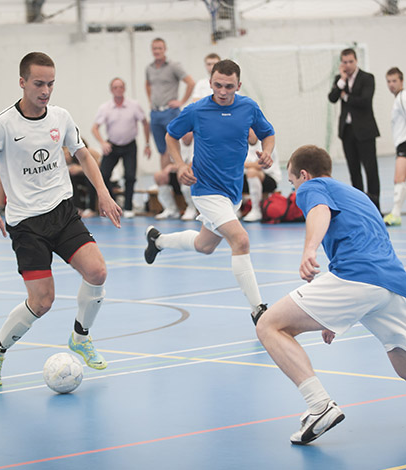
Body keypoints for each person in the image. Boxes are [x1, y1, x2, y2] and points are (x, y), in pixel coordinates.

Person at [0, 52, 123, 387]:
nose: (46, 90)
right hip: (27, 225)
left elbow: (84, 155)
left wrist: (103, 193)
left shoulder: (60, 117)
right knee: (42, 301)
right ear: (22, 82)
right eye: (38, 83)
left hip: (62, 213)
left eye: (50, 83)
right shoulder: (3, 124)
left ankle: (80, 336)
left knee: (97, 270)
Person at [255, 144, 406, 445]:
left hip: (357, 277)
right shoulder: (357, 195)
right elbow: (365, 244)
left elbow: (320, 212)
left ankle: (319, 405)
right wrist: (335, 315)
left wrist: (309, 249)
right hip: (392, 283)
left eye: (292, 181)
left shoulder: (312, 187)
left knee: (269, 325)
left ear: (303, 174)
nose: (295, 188)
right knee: (402, 361)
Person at [144, 59, 275, 321]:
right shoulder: (196, 110)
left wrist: (267, 153)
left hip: (232, 192)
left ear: (238, 85)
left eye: (229, 86)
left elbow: (267, 133)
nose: (223, 91)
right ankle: (258, 309)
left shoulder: (248, 107)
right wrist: (179, 164)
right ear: (211, 82)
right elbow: (172, 136)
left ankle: (157, 240)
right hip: (205, 189)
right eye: (217, 85)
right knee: (241, 240)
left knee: (205, 246)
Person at [154, 54, 221, 221]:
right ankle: (173, 209)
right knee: (165, 173)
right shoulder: (200, 86)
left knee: (186, 171)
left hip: (203, 161)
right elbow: (197, 104)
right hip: (184, 165)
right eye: (208, 63)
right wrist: (176, 165)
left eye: (214, 63)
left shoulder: (203, 136)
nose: (211, 66)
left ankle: (195, 207)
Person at [328, 48, 381, 210]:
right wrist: (342, 81)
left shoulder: (367, 78)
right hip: (347, 131)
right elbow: (332, 98)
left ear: (356, 61)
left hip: (365, 131)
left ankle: (375, 206)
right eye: (345, 62)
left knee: (370, 168)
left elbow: (365, 101)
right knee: (353, 169)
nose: (348, 65)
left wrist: (346, 96)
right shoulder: (339, 79)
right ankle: (359, 206)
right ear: (341, 63)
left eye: (351, 61)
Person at [92, 77, 151, 219]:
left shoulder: (134, 105)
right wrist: (102, 143)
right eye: (115, 87)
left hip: (130, 145)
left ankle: (129, 207)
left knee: (130, 176)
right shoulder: (105, 108)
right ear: (111, 90)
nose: (118, 90)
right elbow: (94, 128)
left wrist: (147, 144)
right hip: (112, 145)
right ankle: (112, 203)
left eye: (121, 87)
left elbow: (144, 123)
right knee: (104, 175)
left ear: (124, 89)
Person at [145, 37, 195, 169]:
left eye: (160, 48)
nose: (157, 51)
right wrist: (151, 101)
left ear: (165, 49)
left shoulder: (174, 66)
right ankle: (165, 185)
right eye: (154, 48)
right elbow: (148, 85)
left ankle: (180, 182)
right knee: (162, 151)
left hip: (170, 112)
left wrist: (181, 101)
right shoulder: (149, 68)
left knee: (172, 147)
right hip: (155, 113)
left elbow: (190, 82)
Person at [242, 128, 282, 222]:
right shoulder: (241, 144)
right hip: (247, 177)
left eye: (250, 129)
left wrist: (243, 164)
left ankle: (256, 210)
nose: (248, 132)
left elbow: (261, 164)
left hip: (269, 178)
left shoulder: (266, 144)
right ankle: (236, 208)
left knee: (252, 171)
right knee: (229, 175)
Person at [384, 67, 406, 226]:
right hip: (401, 143)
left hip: (404, 144)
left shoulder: (402, 98)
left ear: (401, 81)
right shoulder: (398, 98)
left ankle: (396, 214)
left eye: (394, 81)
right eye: (389, 81)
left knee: (399, 178)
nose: (391, 84)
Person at [65, 138, 100, 218]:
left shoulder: (92, 153)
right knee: (70, 177)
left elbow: (98, 168)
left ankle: (91, 208)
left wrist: (80, 169)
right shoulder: (71, 154)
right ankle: (78, 206)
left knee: (90, 179)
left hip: (94, 177)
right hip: (80, 178)